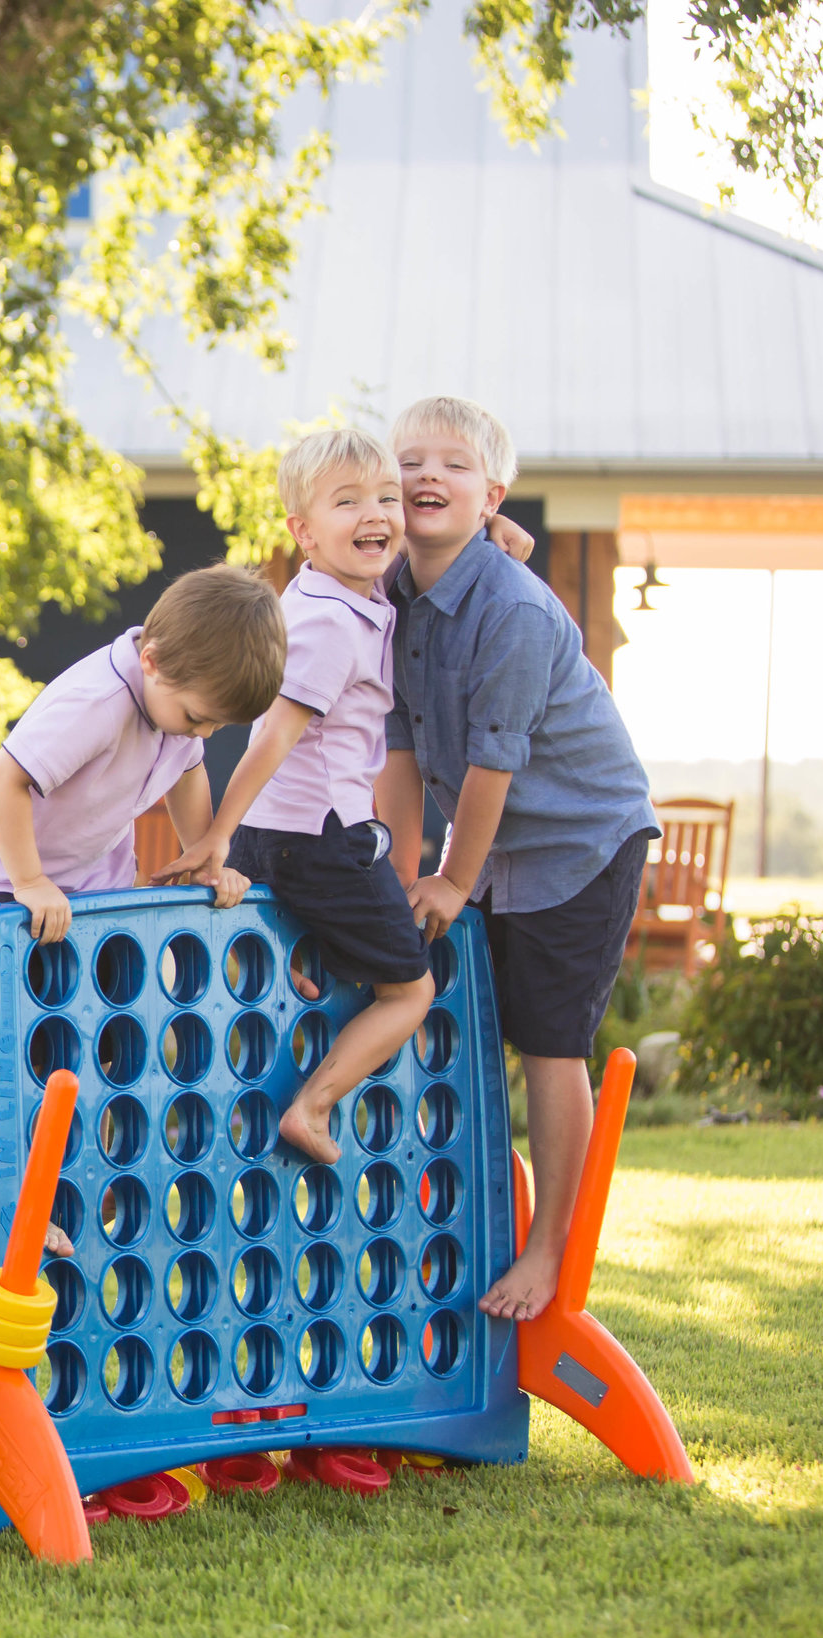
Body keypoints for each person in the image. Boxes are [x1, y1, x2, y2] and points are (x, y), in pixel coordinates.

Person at [380, 395, 659, 1323]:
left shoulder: (514, 612)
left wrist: (453, 880)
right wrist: (397, 878)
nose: (427, 474)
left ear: (493, 492)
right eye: (411, 459)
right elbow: (404, 753)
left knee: (547, 1040)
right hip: (493, 843)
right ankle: (469, 1226)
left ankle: (551, 1251)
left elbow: (493, 765)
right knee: (458, 1028)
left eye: (453, 464)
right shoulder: (395, 594)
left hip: (578, 838)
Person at [154, 428, 433, 1165]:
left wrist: (491, 529)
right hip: (322, 837)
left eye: (385, 498)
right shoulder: (331, 624)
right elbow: (273, 736)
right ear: (304, 533)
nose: (374, 514)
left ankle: (289, 987)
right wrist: (217, 834)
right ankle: (312, 1105)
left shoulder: (324, 594)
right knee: (410, 991)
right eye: (348, 503)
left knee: (312, 963)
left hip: (282, 835)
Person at [0, 565, 289, 944]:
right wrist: (31, 881)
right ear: (152, 662)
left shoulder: (174, 698)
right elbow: (3, 777)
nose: (203, 734)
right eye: (196, 718)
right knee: (31, 998)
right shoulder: (99, 703)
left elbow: (188, 774)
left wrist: (203, 860)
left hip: (95, 889)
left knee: (126, 994)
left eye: (217, 726)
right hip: (7, 888)